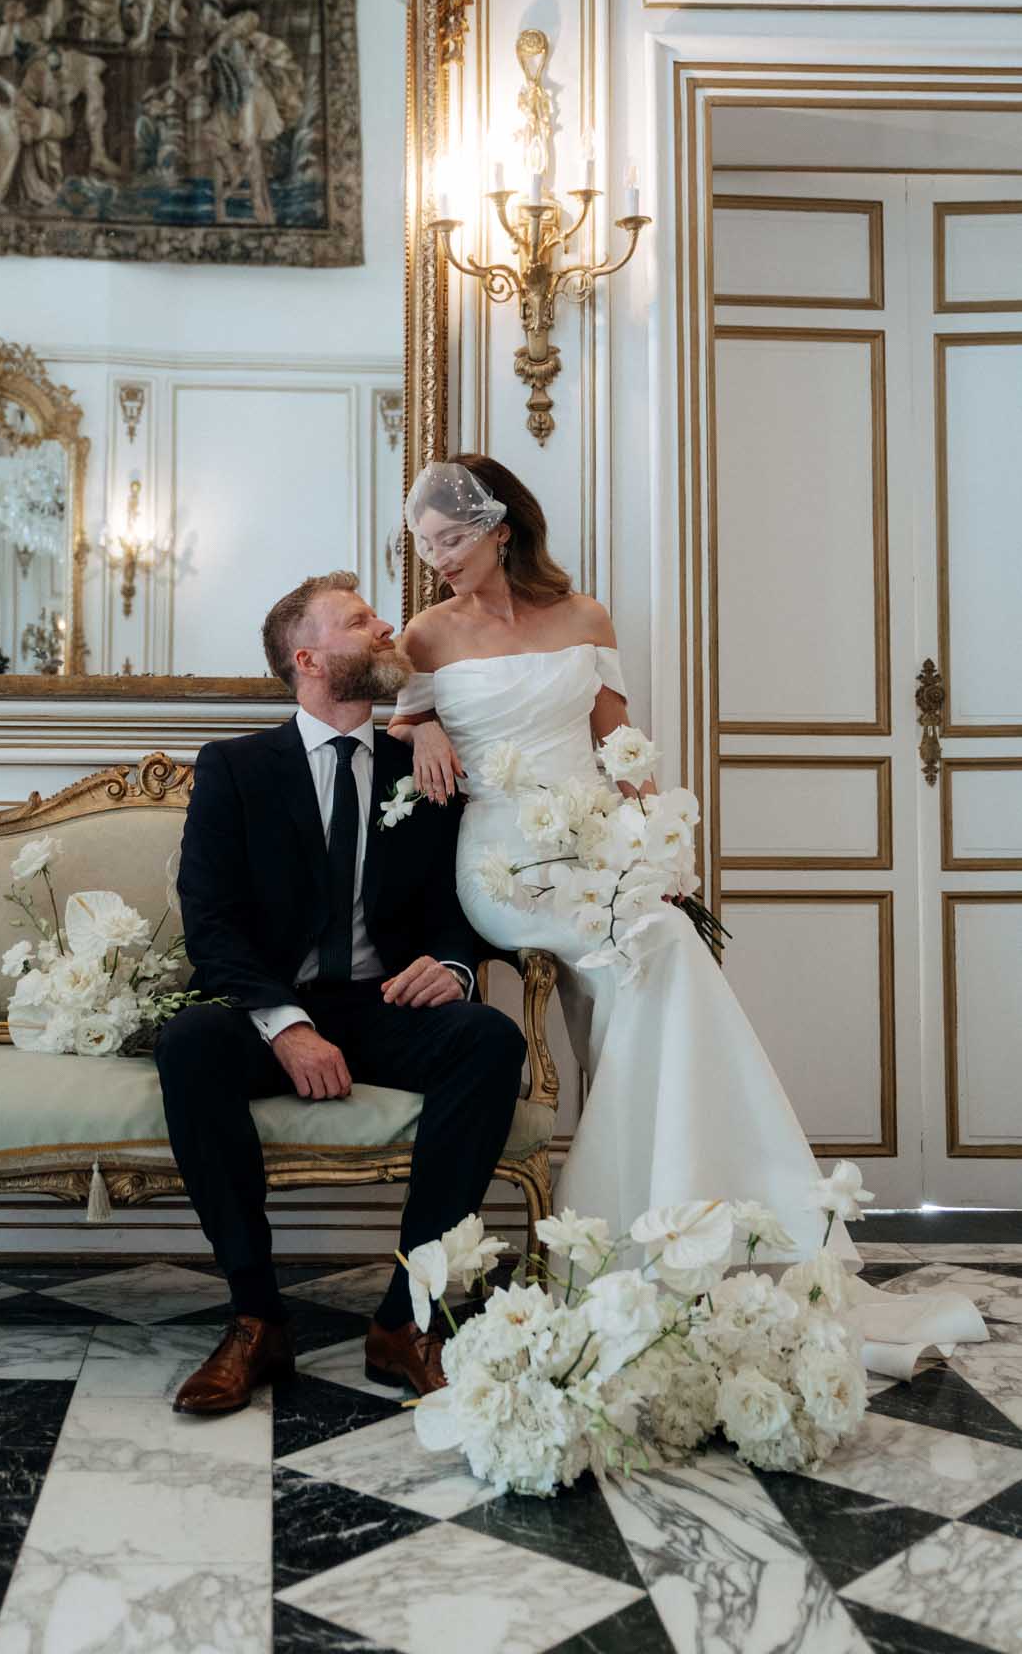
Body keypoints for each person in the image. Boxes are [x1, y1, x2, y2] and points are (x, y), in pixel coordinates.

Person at [389, 456, 984, 1369]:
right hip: (503, 864)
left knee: (663, 945)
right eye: (425, 544)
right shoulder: (425, 635)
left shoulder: (583, 617)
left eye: (451, 539)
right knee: (652, 954)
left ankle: (680, 1226)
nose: (437, 559)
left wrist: (654, 847)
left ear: (502, 527)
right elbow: (388, 725)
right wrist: (421, 723)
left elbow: (619, 745)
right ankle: (653, 1226)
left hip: (596, 843)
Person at [156, 570, 525, 1417]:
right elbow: (209, 926)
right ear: (308, 658)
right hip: (270, 1006)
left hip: (384, 1004)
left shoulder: (418, 766)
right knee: (189, 1047)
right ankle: (255, 1317)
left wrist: (454, 966)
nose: (385, 625)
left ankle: (406, 1319)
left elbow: (456, 907)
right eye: (361, 622)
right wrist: (285, 1027)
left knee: (489, 1040)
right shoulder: (235, 769)